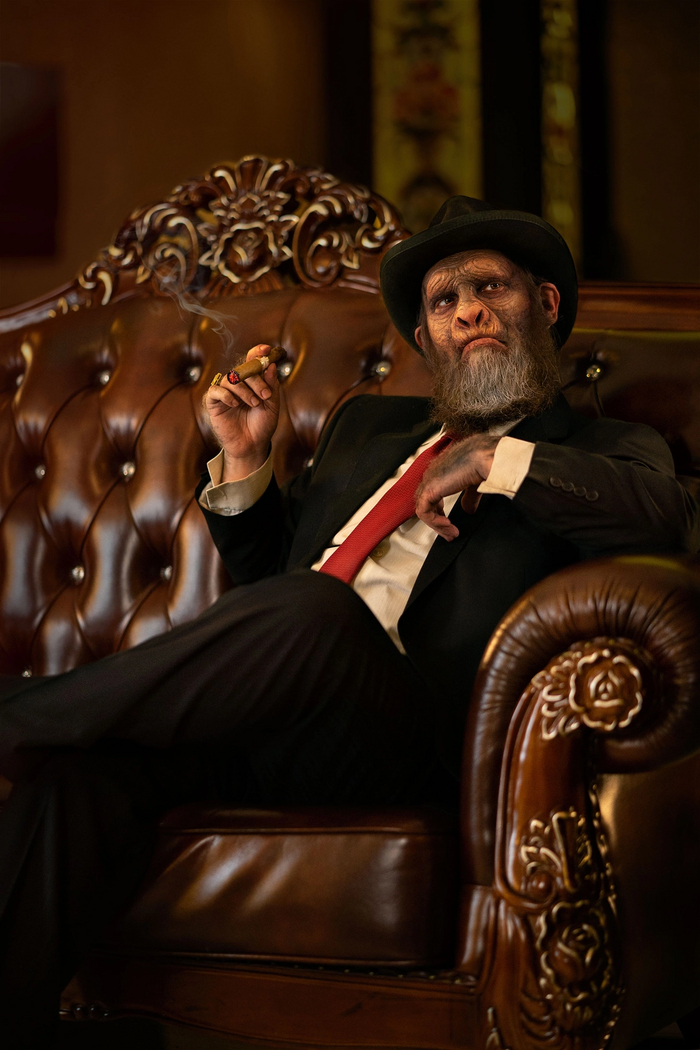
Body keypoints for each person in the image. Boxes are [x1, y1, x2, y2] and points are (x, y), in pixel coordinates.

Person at [0, 196, 697, 1048]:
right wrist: (246, 463)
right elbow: (272, 593)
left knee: (320, 609)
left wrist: (499, 458)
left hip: (415, 737)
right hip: (279, 712)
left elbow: (665, 518)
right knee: (75, 781)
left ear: (544, 305)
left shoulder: (599, 450)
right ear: (426, 336)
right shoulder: (366, 430)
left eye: (491, 288)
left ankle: (16, 718)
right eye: (444, 301)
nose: (468, 310)